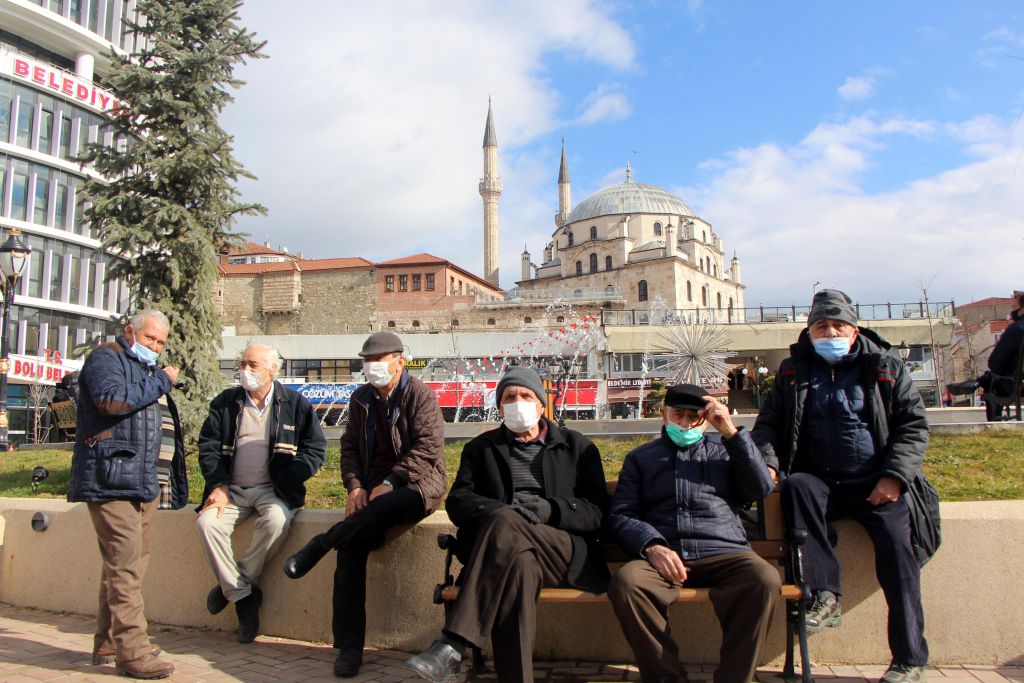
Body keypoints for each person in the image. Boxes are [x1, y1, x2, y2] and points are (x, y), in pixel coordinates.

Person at [752, 289, 935, 683]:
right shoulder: (791, 370)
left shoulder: (884, 366)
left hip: (877, 483)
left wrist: (894, 477)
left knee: (898, 556)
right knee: (797, 487)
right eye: (821, 326)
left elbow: (913, 426)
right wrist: (768, 463)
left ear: (853, 330)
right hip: (820, 480)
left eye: (838, 325)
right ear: (810, 331)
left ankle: (909, 657)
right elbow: (767, 425)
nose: (829, 331)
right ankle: (825, 595)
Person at [406, 367, 609, 683]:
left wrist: (550, 509)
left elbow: (596, 511)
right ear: (499, 407)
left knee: (507, 526)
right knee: (518, 565)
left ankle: (454, 642)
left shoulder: (577, 447)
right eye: (509, 397)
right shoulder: (481, 449)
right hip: (508, 554)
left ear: (542, 405)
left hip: (561, 550)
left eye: (526, 396)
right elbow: (458, 502)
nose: (518, 402)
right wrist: (501, 511)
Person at [283, 331, 445, 678]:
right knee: (350, 552)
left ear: (400, 361)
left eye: (380, 359)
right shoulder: (360, 399)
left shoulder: (420, 395)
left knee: (383, 507)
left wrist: (391, 482)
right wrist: (355, 487)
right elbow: (350, 448)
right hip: (371, 493)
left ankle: (321, 543)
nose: (372, 367)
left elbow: (429, 447)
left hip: (416, 487)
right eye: (367, 361)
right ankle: (348, 647)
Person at [608, 383, 780, 683]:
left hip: (724, 550)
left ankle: (735, 678)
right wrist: (652, 546)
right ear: (665, 416)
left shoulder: (725, 452)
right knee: (628, 583)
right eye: (678, 415)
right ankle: (666, 677)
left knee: (763, 579)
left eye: (694, 417)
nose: (686, 424)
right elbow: (622, 513)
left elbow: (761, 488)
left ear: (705, 418)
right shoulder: (641, 458)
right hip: (665, 554)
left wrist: (731, 433)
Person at [67, 309, 187, 679]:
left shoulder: (145, 370)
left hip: (142, 482)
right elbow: (112, 401)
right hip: (111, 478)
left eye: (161, 343)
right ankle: (132, 653)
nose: (155, 346)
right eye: (150, 338)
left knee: (125, 566)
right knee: (125, 567)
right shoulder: (108, 358)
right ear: (130, 331)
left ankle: (107, 642)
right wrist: (163, 382)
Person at [196, 343, 326, 644]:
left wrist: (292, 475)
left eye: (252, 365)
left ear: (272, 369)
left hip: (273, 490)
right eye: (242, 363)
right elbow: (209, 447)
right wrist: (218, 486)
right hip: (231, 491)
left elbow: (316, 448)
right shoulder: (226, 403)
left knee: (278, 521)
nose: (244, 370)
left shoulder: (294, 403)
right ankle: (244, 596)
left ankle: (233, 585)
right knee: (206, 524)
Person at [978, 292, 1024, 420]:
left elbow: (995, 364)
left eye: (1014, 308)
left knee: (992, 382)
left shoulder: (1016, 329)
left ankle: (994, 424)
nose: (1012, 312)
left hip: (1015, 385)